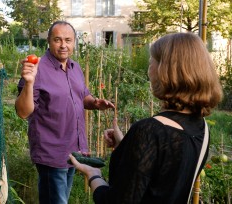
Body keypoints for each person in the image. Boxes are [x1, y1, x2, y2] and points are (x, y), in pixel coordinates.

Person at [69, 32, 223, 203]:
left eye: (152, 62)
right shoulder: (201, 127)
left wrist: (94, 176)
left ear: (166, 72)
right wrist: (126, 145)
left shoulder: (149, 130)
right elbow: (164, 177)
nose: (148, 69)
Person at [15, 20, 115, 204]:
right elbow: (22, 112)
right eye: (57, 40)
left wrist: (94, 102)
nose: (63, 45)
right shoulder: (37, 69)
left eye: (68, 40)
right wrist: (29, 82)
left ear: (74, 42)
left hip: (73, 149)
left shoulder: (74, 67)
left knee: (62, 199)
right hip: (51, 151)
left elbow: (82, 96)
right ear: (49, 41)